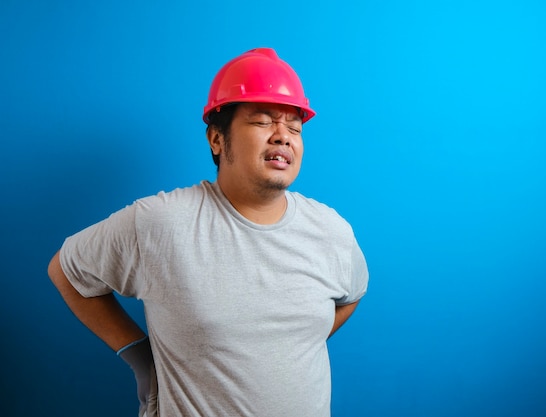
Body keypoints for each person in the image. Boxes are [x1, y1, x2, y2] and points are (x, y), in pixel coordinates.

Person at [48, 47, 369, 417]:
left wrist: (290, 342)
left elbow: (352, 293)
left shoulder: (330, 230)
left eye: (294, 127)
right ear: (217, 139)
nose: (283, 136)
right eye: (263, 121)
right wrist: (139, 357)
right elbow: (66, 271)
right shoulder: (162, 223)